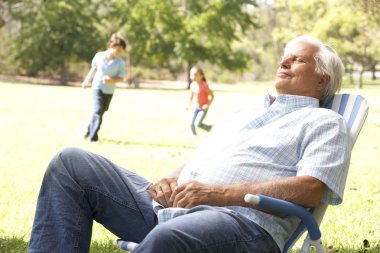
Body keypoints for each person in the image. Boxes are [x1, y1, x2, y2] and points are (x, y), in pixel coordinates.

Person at [29, 35, 351, 253]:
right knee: (70, 164)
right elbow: (207, 156)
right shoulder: (247, 113)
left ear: (322, 80)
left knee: (167, 238)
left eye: (298, 60)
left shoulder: (324, 122)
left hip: (242, 222)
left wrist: (219, 195)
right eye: (285, 57)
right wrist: (171, 178)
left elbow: (311, 188)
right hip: (177, 207)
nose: (284, 63)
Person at [82, 33, 127, 143]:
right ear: (111, 45)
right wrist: (87, 80)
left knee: (102, 111)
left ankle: (89, 130)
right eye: (118, 49)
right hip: (97, 87)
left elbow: (122, 78)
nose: (119, 52)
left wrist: (111, 80)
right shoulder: (99, 56)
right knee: (98, 111)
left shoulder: (120, 63)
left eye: (121, 50)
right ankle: (93, 138)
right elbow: (93, 69)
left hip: (109, 90)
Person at [187, 66, 214, 135]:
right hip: (196, 107)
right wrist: (188, 105)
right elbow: (191, 96)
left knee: (197, 123)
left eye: (195, 75)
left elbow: (212, 96)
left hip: (203, 108)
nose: (193, 77)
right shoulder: (193, 85)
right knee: (191, 123)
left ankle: (210, 128)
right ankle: (194, 135)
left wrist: (207, 105)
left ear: (201, 76)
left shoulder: (204, 85)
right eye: (191, 75)